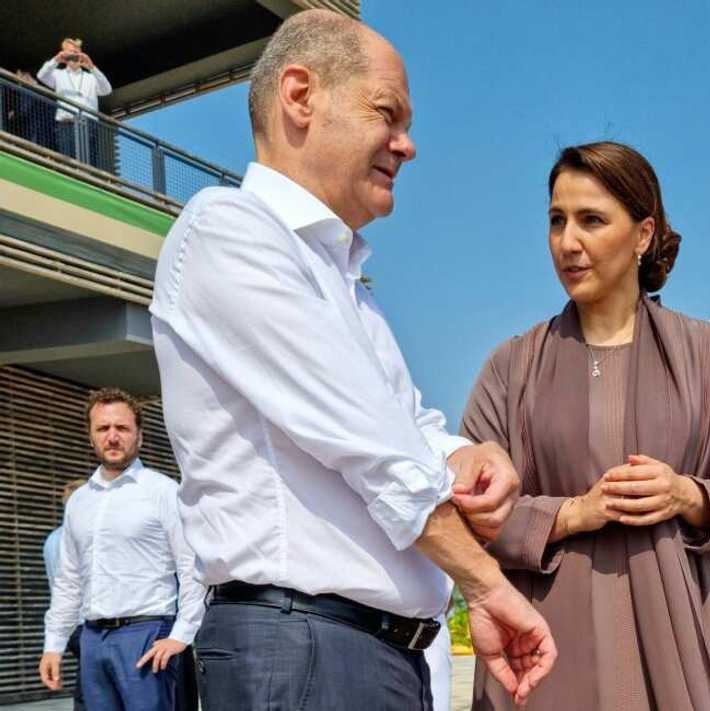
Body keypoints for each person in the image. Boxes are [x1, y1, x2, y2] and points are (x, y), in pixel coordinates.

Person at [148, 10, 555, 711]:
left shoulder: (343, 284)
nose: (408, 145)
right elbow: (370, 441)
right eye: (387, 113)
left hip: (355, 654)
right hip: (302, 652)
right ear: (300, 96)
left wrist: (463, 456)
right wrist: (488, 582)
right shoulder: (228, 231)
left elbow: (403, 423)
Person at [461, 141, 710, 711]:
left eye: (591, 221)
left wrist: (687, 494)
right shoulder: (512, 366)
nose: (567, 243)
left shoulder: (708, 356)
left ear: (643, 234)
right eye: (557, 221)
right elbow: (469, 509)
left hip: (675, 652)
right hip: (542, 653)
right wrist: (572, 513)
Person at [39, 388, 206, 711]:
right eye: (103, 428)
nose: (112, 437)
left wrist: (182, 634)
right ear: (91, 437)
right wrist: (54, 644)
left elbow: (192, 567)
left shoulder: (163, 492)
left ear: (139, 436)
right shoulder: (79, 502)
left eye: (122, 428)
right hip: (92, 639)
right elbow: (69, 579)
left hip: (147, 635)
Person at [43, 478, 88, 711]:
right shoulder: (78, 539)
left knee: (87, 682)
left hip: (69, 625)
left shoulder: (52, 539)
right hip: (85, 623)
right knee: (92, 686)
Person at [36, 38, 112, 170]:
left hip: (89, 126)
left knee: (89, 167)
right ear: (64, 54)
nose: (74, 55)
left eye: (76, 52)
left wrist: (91, 67)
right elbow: (41, 75)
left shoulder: (91, 77)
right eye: (70, 52)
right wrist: (56, 60)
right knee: (67, 165)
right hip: (66, 125)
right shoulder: (58, 75)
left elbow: (107, 89)